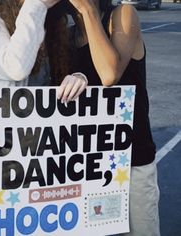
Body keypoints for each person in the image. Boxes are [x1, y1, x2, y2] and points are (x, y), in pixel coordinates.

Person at [51, 0, 160, 235]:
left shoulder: (122, 16)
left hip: (132, 162)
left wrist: (88, 10)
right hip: (89, 167)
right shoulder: (69, 36)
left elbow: (109, 73)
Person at [0, 0, 88, 103]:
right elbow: (17, 68)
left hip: (36, 132)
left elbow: (54, 83)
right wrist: (36, 4)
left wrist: (77, 78)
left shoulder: (49, 26)